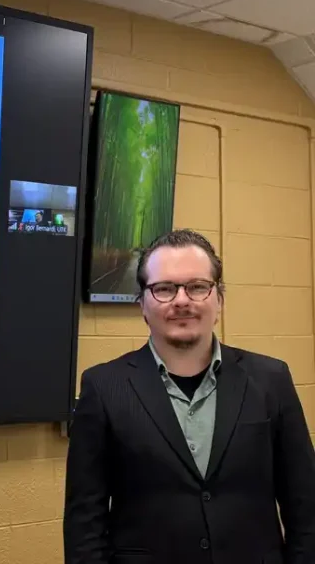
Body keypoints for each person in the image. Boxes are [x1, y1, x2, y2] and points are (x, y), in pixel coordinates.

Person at [64, 228, 315, 563]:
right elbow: (85, 524)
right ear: (142, 304)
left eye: (198, 287)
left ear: (219, 300)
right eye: (165, 288)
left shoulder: (271, 380)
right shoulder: (103, 387)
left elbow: (305, 506)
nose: (182, 300)